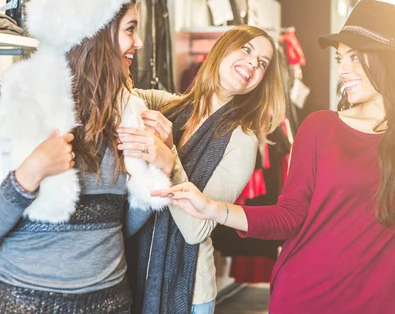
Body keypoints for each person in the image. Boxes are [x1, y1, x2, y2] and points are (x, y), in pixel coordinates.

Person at [153, 0, 395, 314]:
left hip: (393, 302)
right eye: (341, 57)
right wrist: (212, 208)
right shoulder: (321, 127)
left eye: (355, 56)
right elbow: (289, 216)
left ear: (389, 61)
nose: (343, 69)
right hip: (311, 297)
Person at [0, 0, 174, 313]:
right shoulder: (16, 108)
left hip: (111, 304)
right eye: (130, 30)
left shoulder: (128, 113)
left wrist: (162, 167)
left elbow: (121, 228)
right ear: (94, 33)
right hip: (24, 304)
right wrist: (27, 175)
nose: (138, 43)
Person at [118, 25, 286, 314]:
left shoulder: (243, 139)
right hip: (136, 270)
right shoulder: (170, 107)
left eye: (262, 63)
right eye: (246, 49)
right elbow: (118, 92)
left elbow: (197, 230)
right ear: (223, 48)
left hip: (188, 289)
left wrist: (170, 159)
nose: (252, 64)